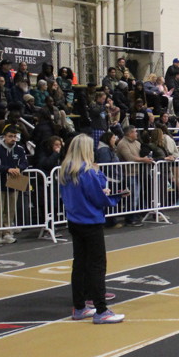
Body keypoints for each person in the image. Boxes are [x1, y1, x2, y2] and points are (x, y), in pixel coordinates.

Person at [59, 134, 125, 324]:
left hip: (74, 220)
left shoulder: (65, 170)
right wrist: (115, 197)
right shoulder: (87, 171)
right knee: (97, 265)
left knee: (79, 264)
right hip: (90, 221)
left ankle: (79, 307)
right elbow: (98, 196)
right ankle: (101, 310)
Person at [0, 126, 29, 246]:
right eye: (10, 136)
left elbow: (25, 162)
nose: (13, 139)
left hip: (14, 182)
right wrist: (8, 169)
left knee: (11, 209)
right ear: (4, 137)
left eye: (15, 136)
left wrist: (19, 168)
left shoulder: (20, 149)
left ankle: (7, 233)